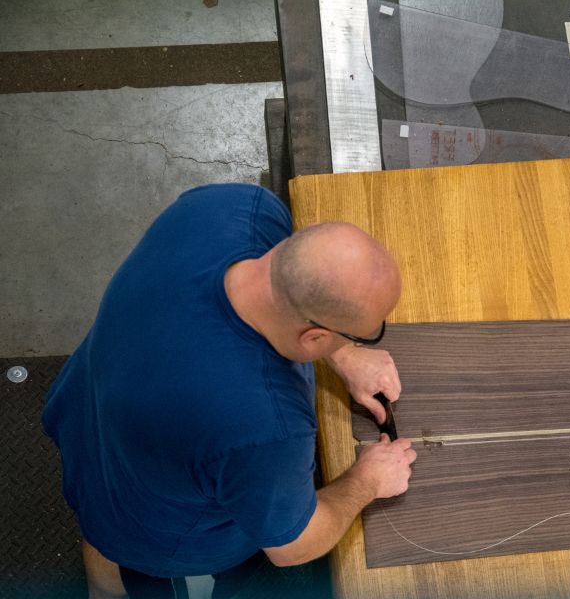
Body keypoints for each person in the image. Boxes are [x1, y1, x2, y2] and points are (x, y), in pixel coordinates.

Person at [42, 184, 417, 598]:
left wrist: (344, 351)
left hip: (89, 418)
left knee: (101, 525)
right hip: (158, 528)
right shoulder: (266, 427)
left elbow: (291, 285)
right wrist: (366, 480)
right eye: (366, 333)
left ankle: (102, 578)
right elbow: (291, 547)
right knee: (127, 548)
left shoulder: (238, 208)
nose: (365, 340)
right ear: (313, 337)